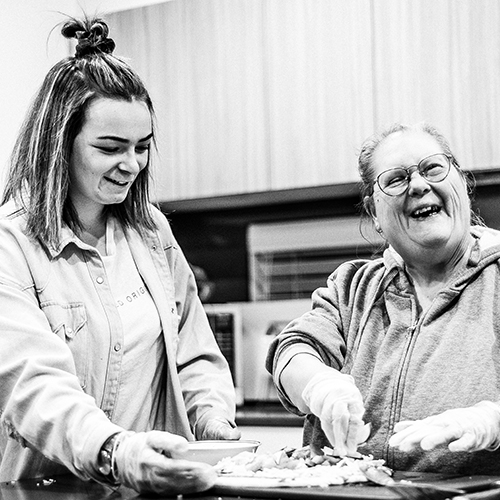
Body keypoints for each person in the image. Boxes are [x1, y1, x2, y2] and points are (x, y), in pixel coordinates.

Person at [0, 16, 240, 495]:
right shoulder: (12, 245)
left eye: (142, 147)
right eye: (110, 147)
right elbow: (31, 383)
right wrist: (114, 451)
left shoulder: (151, 232)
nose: (131, 164)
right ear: (59, 146)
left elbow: (192, 351)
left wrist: (211, 419)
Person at [266, 121, 500, 475]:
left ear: (462, 185)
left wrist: (493, 422)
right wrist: (319, 384)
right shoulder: (352, 287)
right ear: (374, 212)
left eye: (433, 168)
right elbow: (293, 349)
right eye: (396, 179)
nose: (419, 185)